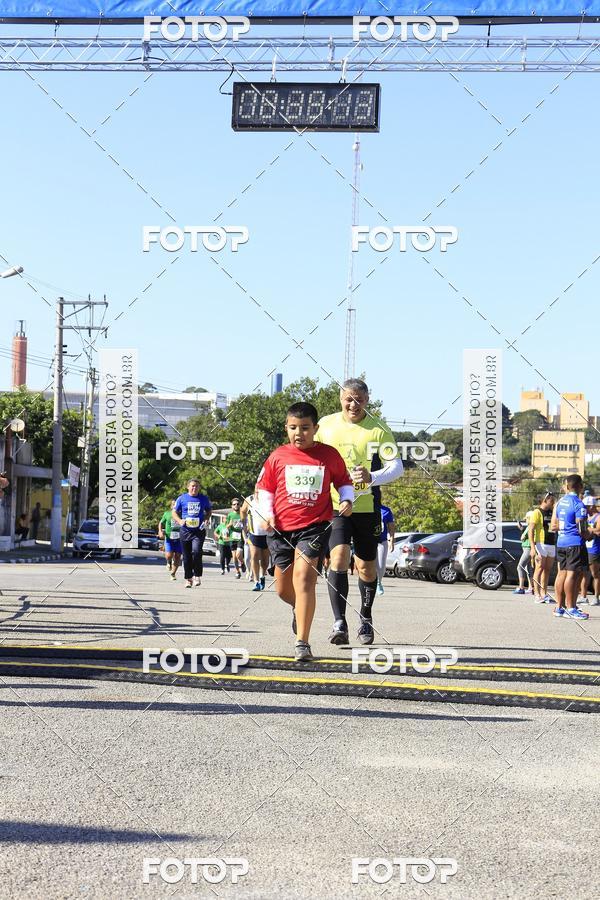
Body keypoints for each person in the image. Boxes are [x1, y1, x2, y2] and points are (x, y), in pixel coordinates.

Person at [256, 401, 354, 661]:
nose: (299, 433)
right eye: (293, 428)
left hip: (314, 526)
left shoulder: (329, 455)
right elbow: (265, 489)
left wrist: (346, 499)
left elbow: (344, 482)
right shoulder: (278, 456)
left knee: (305, 579)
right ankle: (298, 609)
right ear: (286, 428)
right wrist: (267, 513)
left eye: (305, 428)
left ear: (316, 428)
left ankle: (303, 643)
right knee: (282, 589)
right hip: (280, 528)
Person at [315, 378, 403, 645]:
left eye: (359, 399)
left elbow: (397, 467)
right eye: (348, 399)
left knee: (366, 567)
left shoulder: (378, 429)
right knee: (338, 557)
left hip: (367, 507)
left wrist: (371, 475)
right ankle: (339, 622)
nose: (353, 405)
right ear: (340, 399)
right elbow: (309, 457)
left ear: (367, 400)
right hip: (335, 506)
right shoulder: (326, 426)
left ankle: (365, 618)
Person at [550, 474, 590, 620]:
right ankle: (571, 608)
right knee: (573, 575)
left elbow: (553, 525)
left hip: (561, 542)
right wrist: (590, 535)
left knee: (562, 574)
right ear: (580, 486)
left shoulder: (559, 503)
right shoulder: (579, 504)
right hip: (574, 543)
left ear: (567, 486)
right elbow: (582, 530)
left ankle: (559, 607)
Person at [172, 479, 212, 588]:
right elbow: (174, 512)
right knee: (186, 556)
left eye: (197, 486)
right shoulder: (182, 498)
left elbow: (209, 511)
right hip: (185, 531)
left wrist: (206, 519)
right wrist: (180, 521)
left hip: (198, 531)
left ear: (199, 488)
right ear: (188, 487)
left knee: (197, 551)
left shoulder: (203, 499)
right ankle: (188, 579)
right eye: (193, 486)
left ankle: (197, 576)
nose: (195, 488)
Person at [528, 493, 556, 603]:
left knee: (547, 570)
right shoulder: (537, 512)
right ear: (545, 500)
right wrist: (532, 547)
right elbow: (531, 530)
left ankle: (544, 593)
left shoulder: (552, 511)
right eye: (551, 500)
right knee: (539, 568)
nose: (553, 502)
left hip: (552, 544)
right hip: (541, 544)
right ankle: (537, 594)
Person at [240, 493, 270, 592]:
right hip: (254, 533)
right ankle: (256, 581)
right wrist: (244, 522)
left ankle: (262, 575)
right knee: (254, 556)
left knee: (265, 561)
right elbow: (243, 511)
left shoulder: (269, 497)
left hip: (267, 533)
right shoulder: (249, 499)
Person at [158, 500, 182, 581]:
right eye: (174, 505)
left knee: (178, 556)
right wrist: (160, 531)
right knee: (169, 555)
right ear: (172, 506)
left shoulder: (182, 514)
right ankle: (168, 562)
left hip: (179, 539)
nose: (176, 507)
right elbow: (161, 523)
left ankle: (173, 574)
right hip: (169, 538)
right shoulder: (167, 514)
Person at [376, 503, 395, 595]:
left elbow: (391, 527)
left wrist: (391, 541)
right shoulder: (367, 508)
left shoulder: (386, 510)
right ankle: (369, 583)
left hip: (382, 542)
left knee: (381, 566)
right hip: (369, 541)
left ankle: (379, 582)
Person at [514, 512, 534, 595]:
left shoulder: (529, 526)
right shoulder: (531, 527)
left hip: (527, 549)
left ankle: (521, 587)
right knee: (529, 569)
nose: (526, 520)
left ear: (529, 518)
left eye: (526, 519)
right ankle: (531, 588)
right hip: (529, 549)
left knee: (520, 567)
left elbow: (522, 538)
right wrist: (522, 529)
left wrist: (522, 531)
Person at [225, 498, 245, 579]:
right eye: (234, 504)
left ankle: (242, 563)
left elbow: (246, 524)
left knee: (238, 554)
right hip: (232, 537)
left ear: (240, 505)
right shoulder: (230, 515)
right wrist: (229, 525)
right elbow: (226, 526)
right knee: (234, 557)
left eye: (237, 504)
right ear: (231, 506)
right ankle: (237, 572)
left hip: (240, 537)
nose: (236, 505)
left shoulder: (242, 513)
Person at [585, 498, 600, 606]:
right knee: (583, 573)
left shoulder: (598, 517)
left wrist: (589, 530)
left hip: (595, 549)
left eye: (586, 506)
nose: (584, 509)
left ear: (591, 506)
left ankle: (596, 597)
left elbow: (599, 530)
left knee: (595, 574)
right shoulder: (586, 517)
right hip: (585, 548)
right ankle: (583, 596)